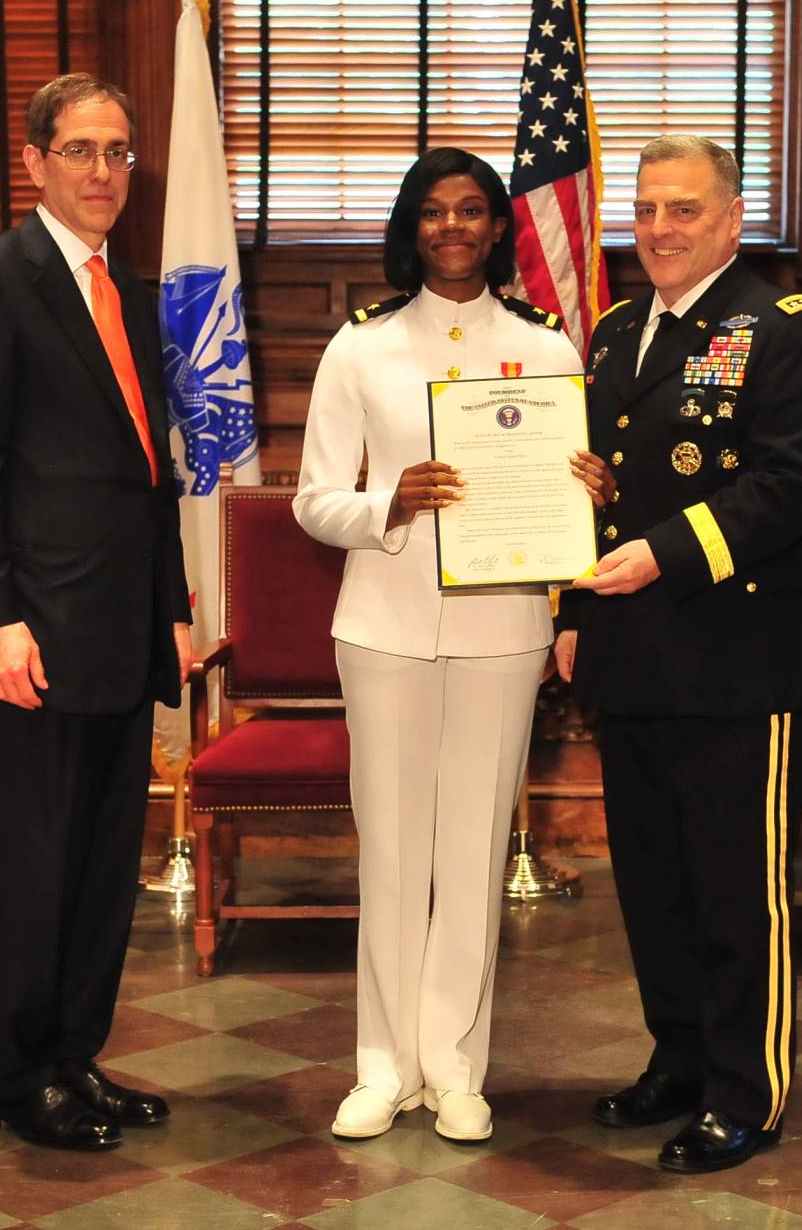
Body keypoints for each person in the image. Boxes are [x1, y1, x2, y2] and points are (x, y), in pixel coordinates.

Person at [294, 147, 599, 1144]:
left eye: (471, 210)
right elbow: (313, 501)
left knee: (471, 854)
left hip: (503, 630)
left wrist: (592, 493)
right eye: (433, 213)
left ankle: (458, 1069)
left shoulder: (548, 350)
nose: (453, 228)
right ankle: (381, 1068)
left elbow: (563, 504)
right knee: (390, 852)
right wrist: (391, 502)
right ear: (411, 228)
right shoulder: (361, 348)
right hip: (382, 628)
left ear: (498, 226)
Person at [555, 135, 802, 1174]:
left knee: (735, 888)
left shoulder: (784, 327)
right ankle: (677, 1060)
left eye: (684, 210)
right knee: (655, 883)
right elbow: (604, 485)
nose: (661, 230)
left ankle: (745, 1089)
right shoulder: (619, 331)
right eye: (647, 211)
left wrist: (662, 555)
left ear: (730, 219)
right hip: (634, 653)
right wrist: (576, 614)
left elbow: (792, 483)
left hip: (739, 657)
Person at [0, 73, 191, 1152]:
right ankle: (14, 1074)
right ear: (33, 162)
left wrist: (171, 606)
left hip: (124, 632)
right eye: (80, 150)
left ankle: (75, 1059)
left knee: (100, 868)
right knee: (36, 868)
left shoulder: (126, 290)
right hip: (29, 638)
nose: (102, 171)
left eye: (119, 152)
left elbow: (147, 472)